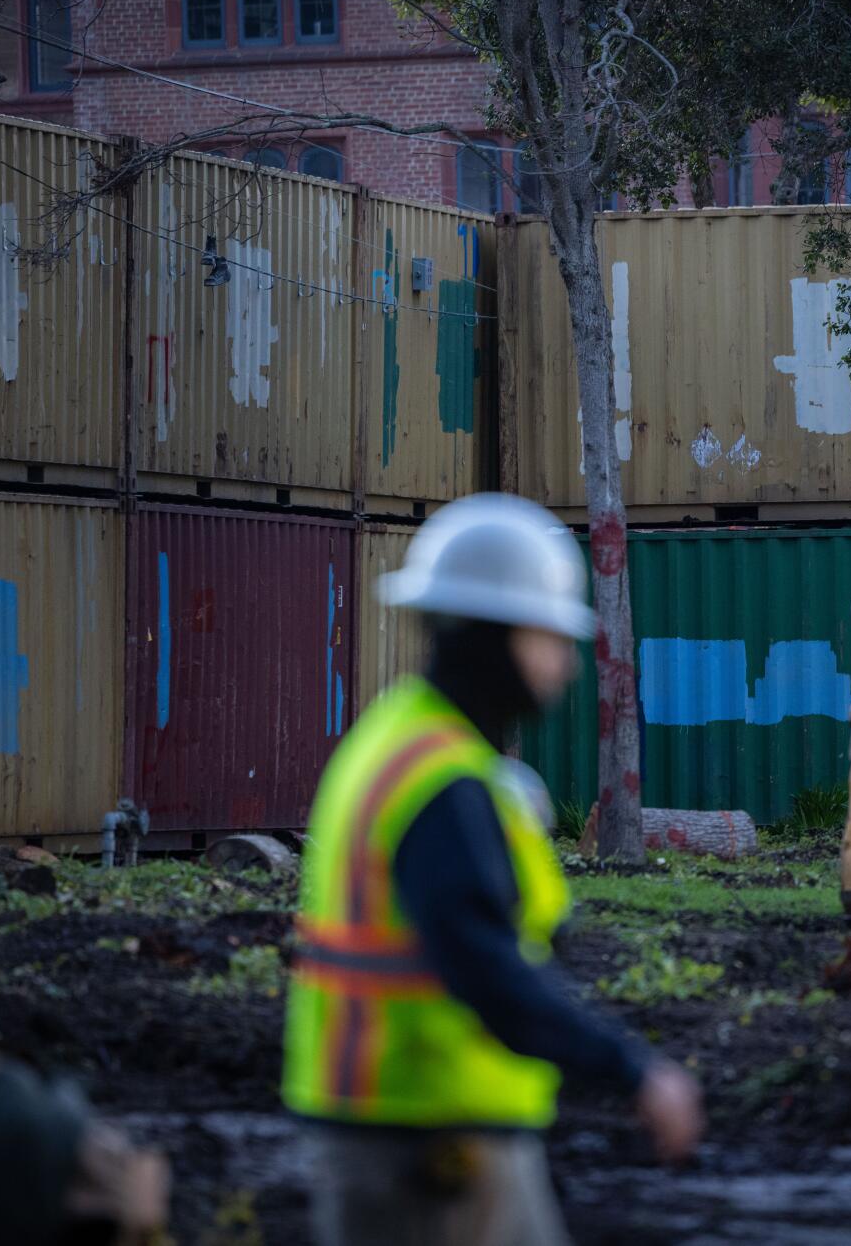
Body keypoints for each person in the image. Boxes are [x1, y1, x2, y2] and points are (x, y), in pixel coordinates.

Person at [284, 493, 704, 1246]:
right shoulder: (441, 781)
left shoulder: (398, 743)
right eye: (550, 638)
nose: (566, 665)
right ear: (494, 635)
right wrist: (632, 1071)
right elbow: (485, 967)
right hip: (431, 1140)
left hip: (397, 1126)